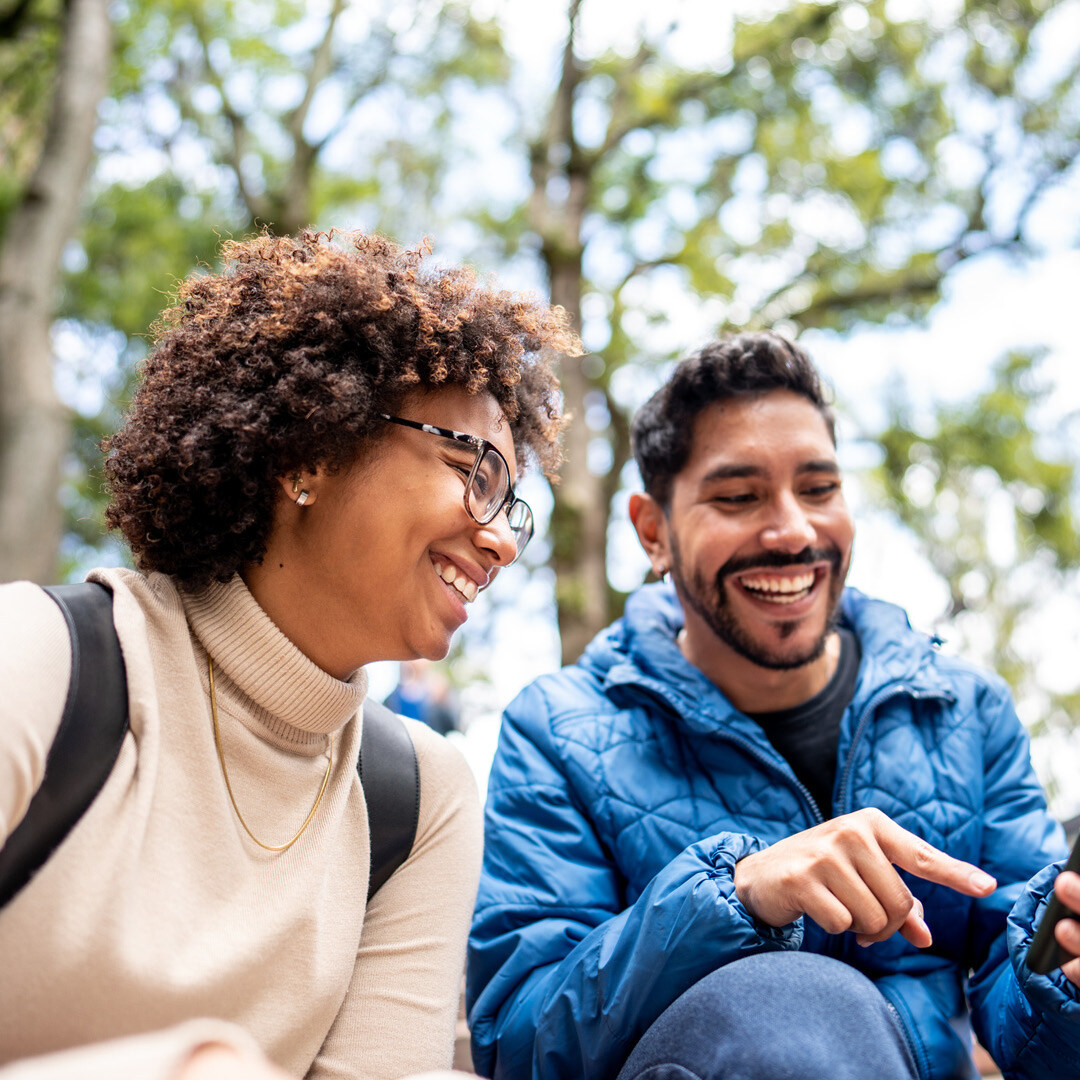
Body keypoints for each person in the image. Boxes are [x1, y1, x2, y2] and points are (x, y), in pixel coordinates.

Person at [0, 230, 575, 1080]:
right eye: (473, 468)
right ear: (312, 449)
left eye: (510, 502)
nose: (499, 540)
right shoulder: (44, 659)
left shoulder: (418, 803)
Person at [466, 332, 1080, 1080]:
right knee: (792, 1000)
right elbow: (520, 1042)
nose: (793, 531)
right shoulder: (558, 730)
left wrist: (1063, 980)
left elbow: (1034, 1041)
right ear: (652, 531)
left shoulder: (968, 710)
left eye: (819, 490)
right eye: (738, 497)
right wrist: (736, 898)